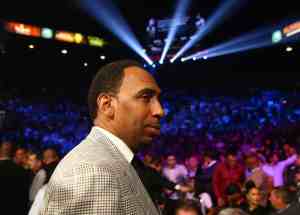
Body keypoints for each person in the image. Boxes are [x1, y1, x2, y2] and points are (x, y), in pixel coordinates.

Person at [41, 60, 164, 214]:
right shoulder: (93, 172)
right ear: (107, 105)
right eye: (146, 97)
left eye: (158, 100)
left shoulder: (111, 163)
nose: (159, 110)